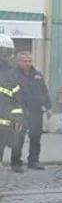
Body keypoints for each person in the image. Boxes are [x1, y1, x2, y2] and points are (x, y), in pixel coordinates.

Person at [11, 52, 52, 172]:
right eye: (25, 61)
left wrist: (48, 106)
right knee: (18, 138)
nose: (28, 64)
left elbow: (44, 91)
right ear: (18, 62)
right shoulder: (13, 75)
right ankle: (16, 163)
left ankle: (33, 161)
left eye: (29, 61)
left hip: (36, 111)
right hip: (20, 111)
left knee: (35, 137)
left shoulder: (37, 75)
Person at [0, 34, 23, 166]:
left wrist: (18, 118)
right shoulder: (12, 72)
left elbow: (16, 99)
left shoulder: (12, 72)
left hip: (4, 122)